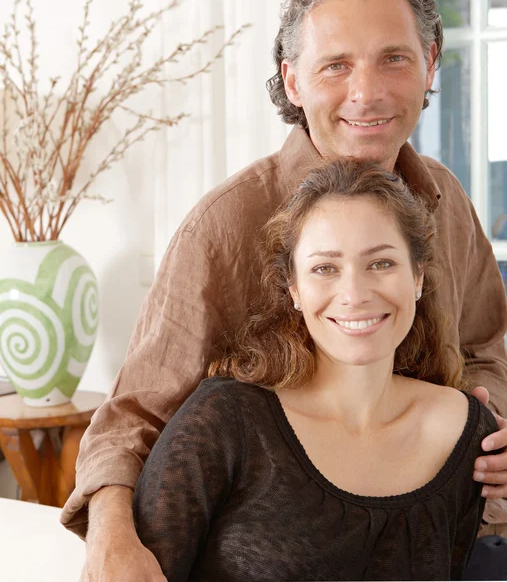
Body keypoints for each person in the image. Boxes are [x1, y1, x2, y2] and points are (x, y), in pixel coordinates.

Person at [61, 0, 507, 581]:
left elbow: (486, 350)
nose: (367, 92)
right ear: (293, 81)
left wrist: (488, 432)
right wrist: (112, 538)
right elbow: (132, 418)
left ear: (429, 64)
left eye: (394, 58)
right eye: (336, 65)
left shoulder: (447, 199)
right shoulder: (225, 226)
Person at [132, 159, 499, 581]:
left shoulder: (466, 432)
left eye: (381, 263)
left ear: (417, 276)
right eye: (325, 268)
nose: (355, 294)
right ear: (294, 289)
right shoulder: (223, 422)